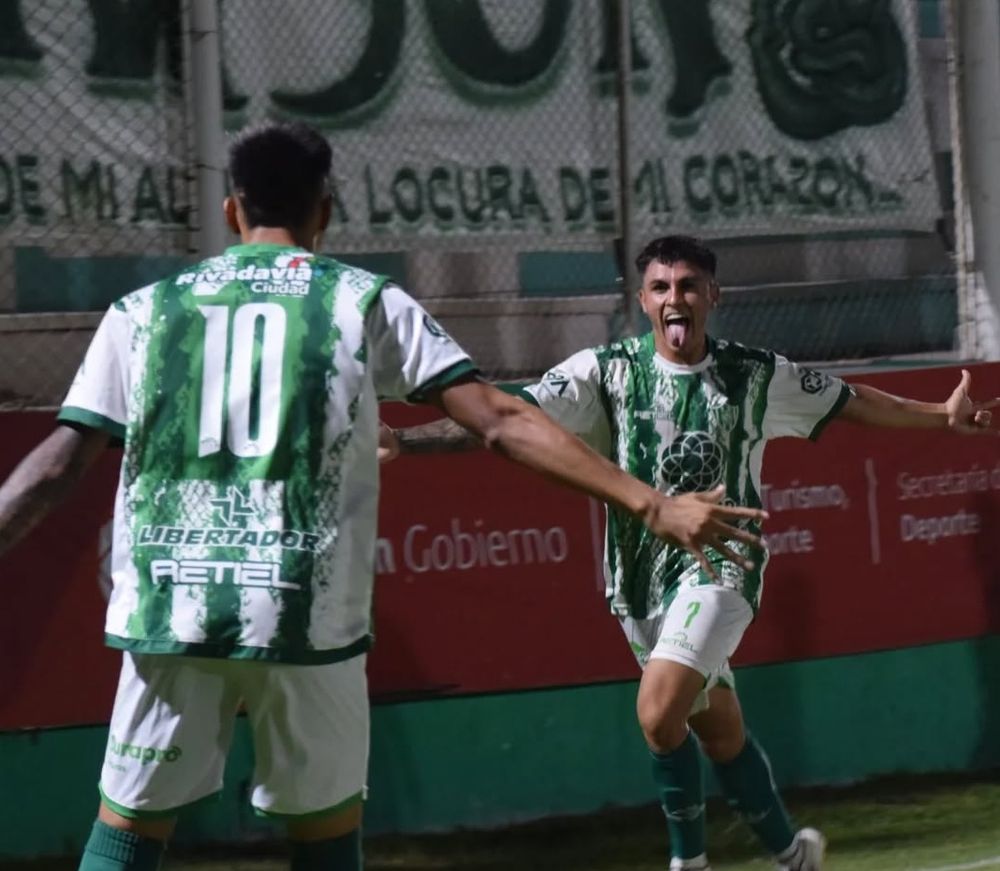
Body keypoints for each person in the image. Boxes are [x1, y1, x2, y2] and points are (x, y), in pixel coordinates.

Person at [0, 131, 768, 871]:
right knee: (326, 837)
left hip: (175, 608)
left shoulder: (144, 311)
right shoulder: (361, 301)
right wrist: (649, 503)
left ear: (232, 211)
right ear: (325, 210)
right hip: (304, 614)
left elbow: (56, 465)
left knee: (128, 832)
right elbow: (499, 420)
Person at [383, 234, 1000, 871]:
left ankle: (689, 863)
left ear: (712, 295)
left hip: (723, 570)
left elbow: (851, 401)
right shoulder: (604, 372)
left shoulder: (754, 375)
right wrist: (408, 438)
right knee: (716, 728)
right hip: (638, 586)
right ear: (644, 302)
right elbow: (504, 419)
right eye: (659, 288)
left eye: (686, 286)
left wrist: (938, 417)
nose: (673, 298)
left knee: (656, 714)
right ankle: (794, 853)